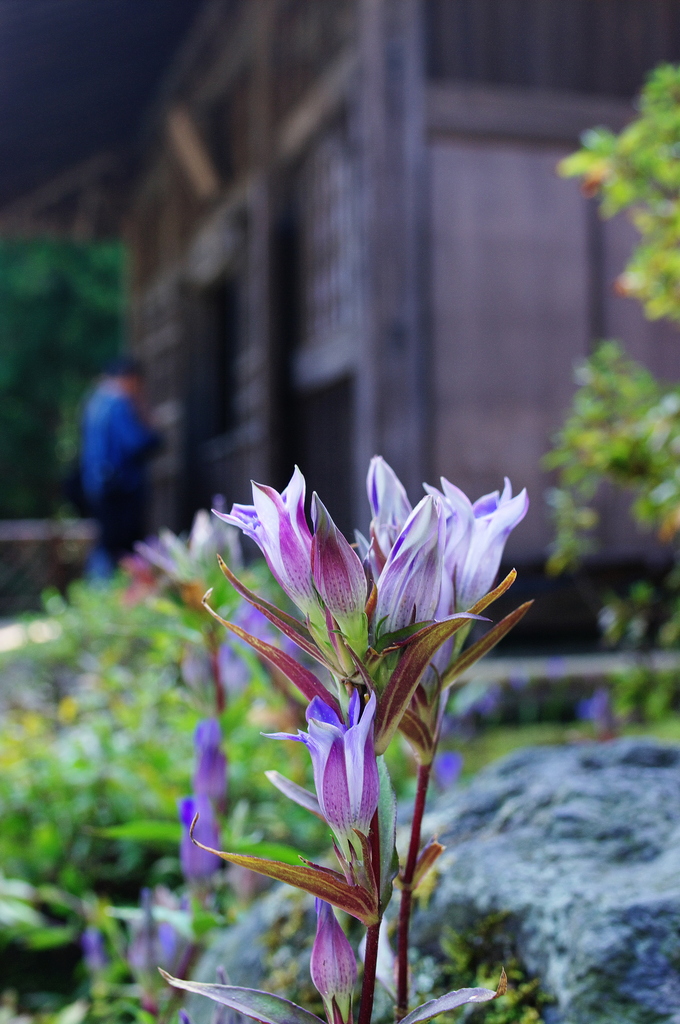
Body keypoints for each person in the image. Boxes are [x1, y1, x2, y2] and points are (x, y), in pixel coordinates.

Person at [80, 356, 161, 577]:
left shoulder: (94, 402)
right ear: (129, 378)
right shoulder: (116, 402)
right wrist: (153, 432)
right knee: (122, 549)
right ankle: (111, 594)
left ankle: (97, 596)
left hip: (98, 486)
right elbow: (136, 443)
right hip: (120, 488)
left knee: (106, 543)